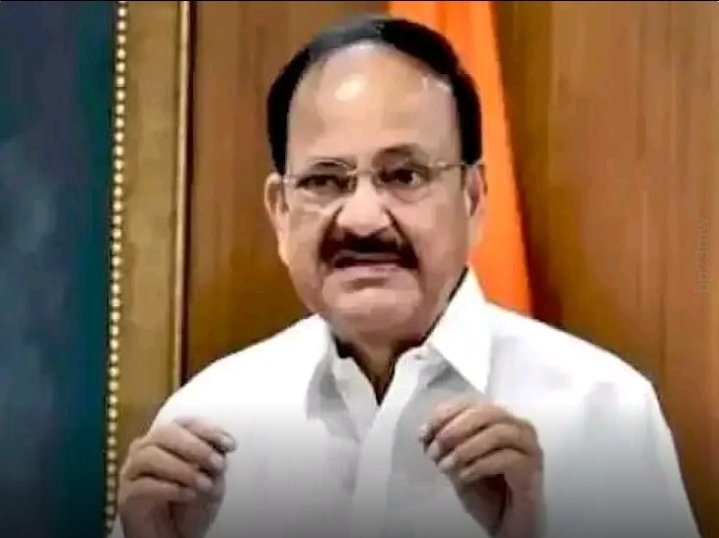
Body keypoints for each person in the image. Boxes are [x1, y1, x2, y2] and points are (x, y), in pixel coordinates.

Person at [113, 15, 700, 538]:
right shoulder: (209, 422)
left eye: (404, 175)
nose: (363, 218)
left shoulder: (604, 416)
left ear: (472, 199)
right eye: (325, 180)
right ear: (281, 212)